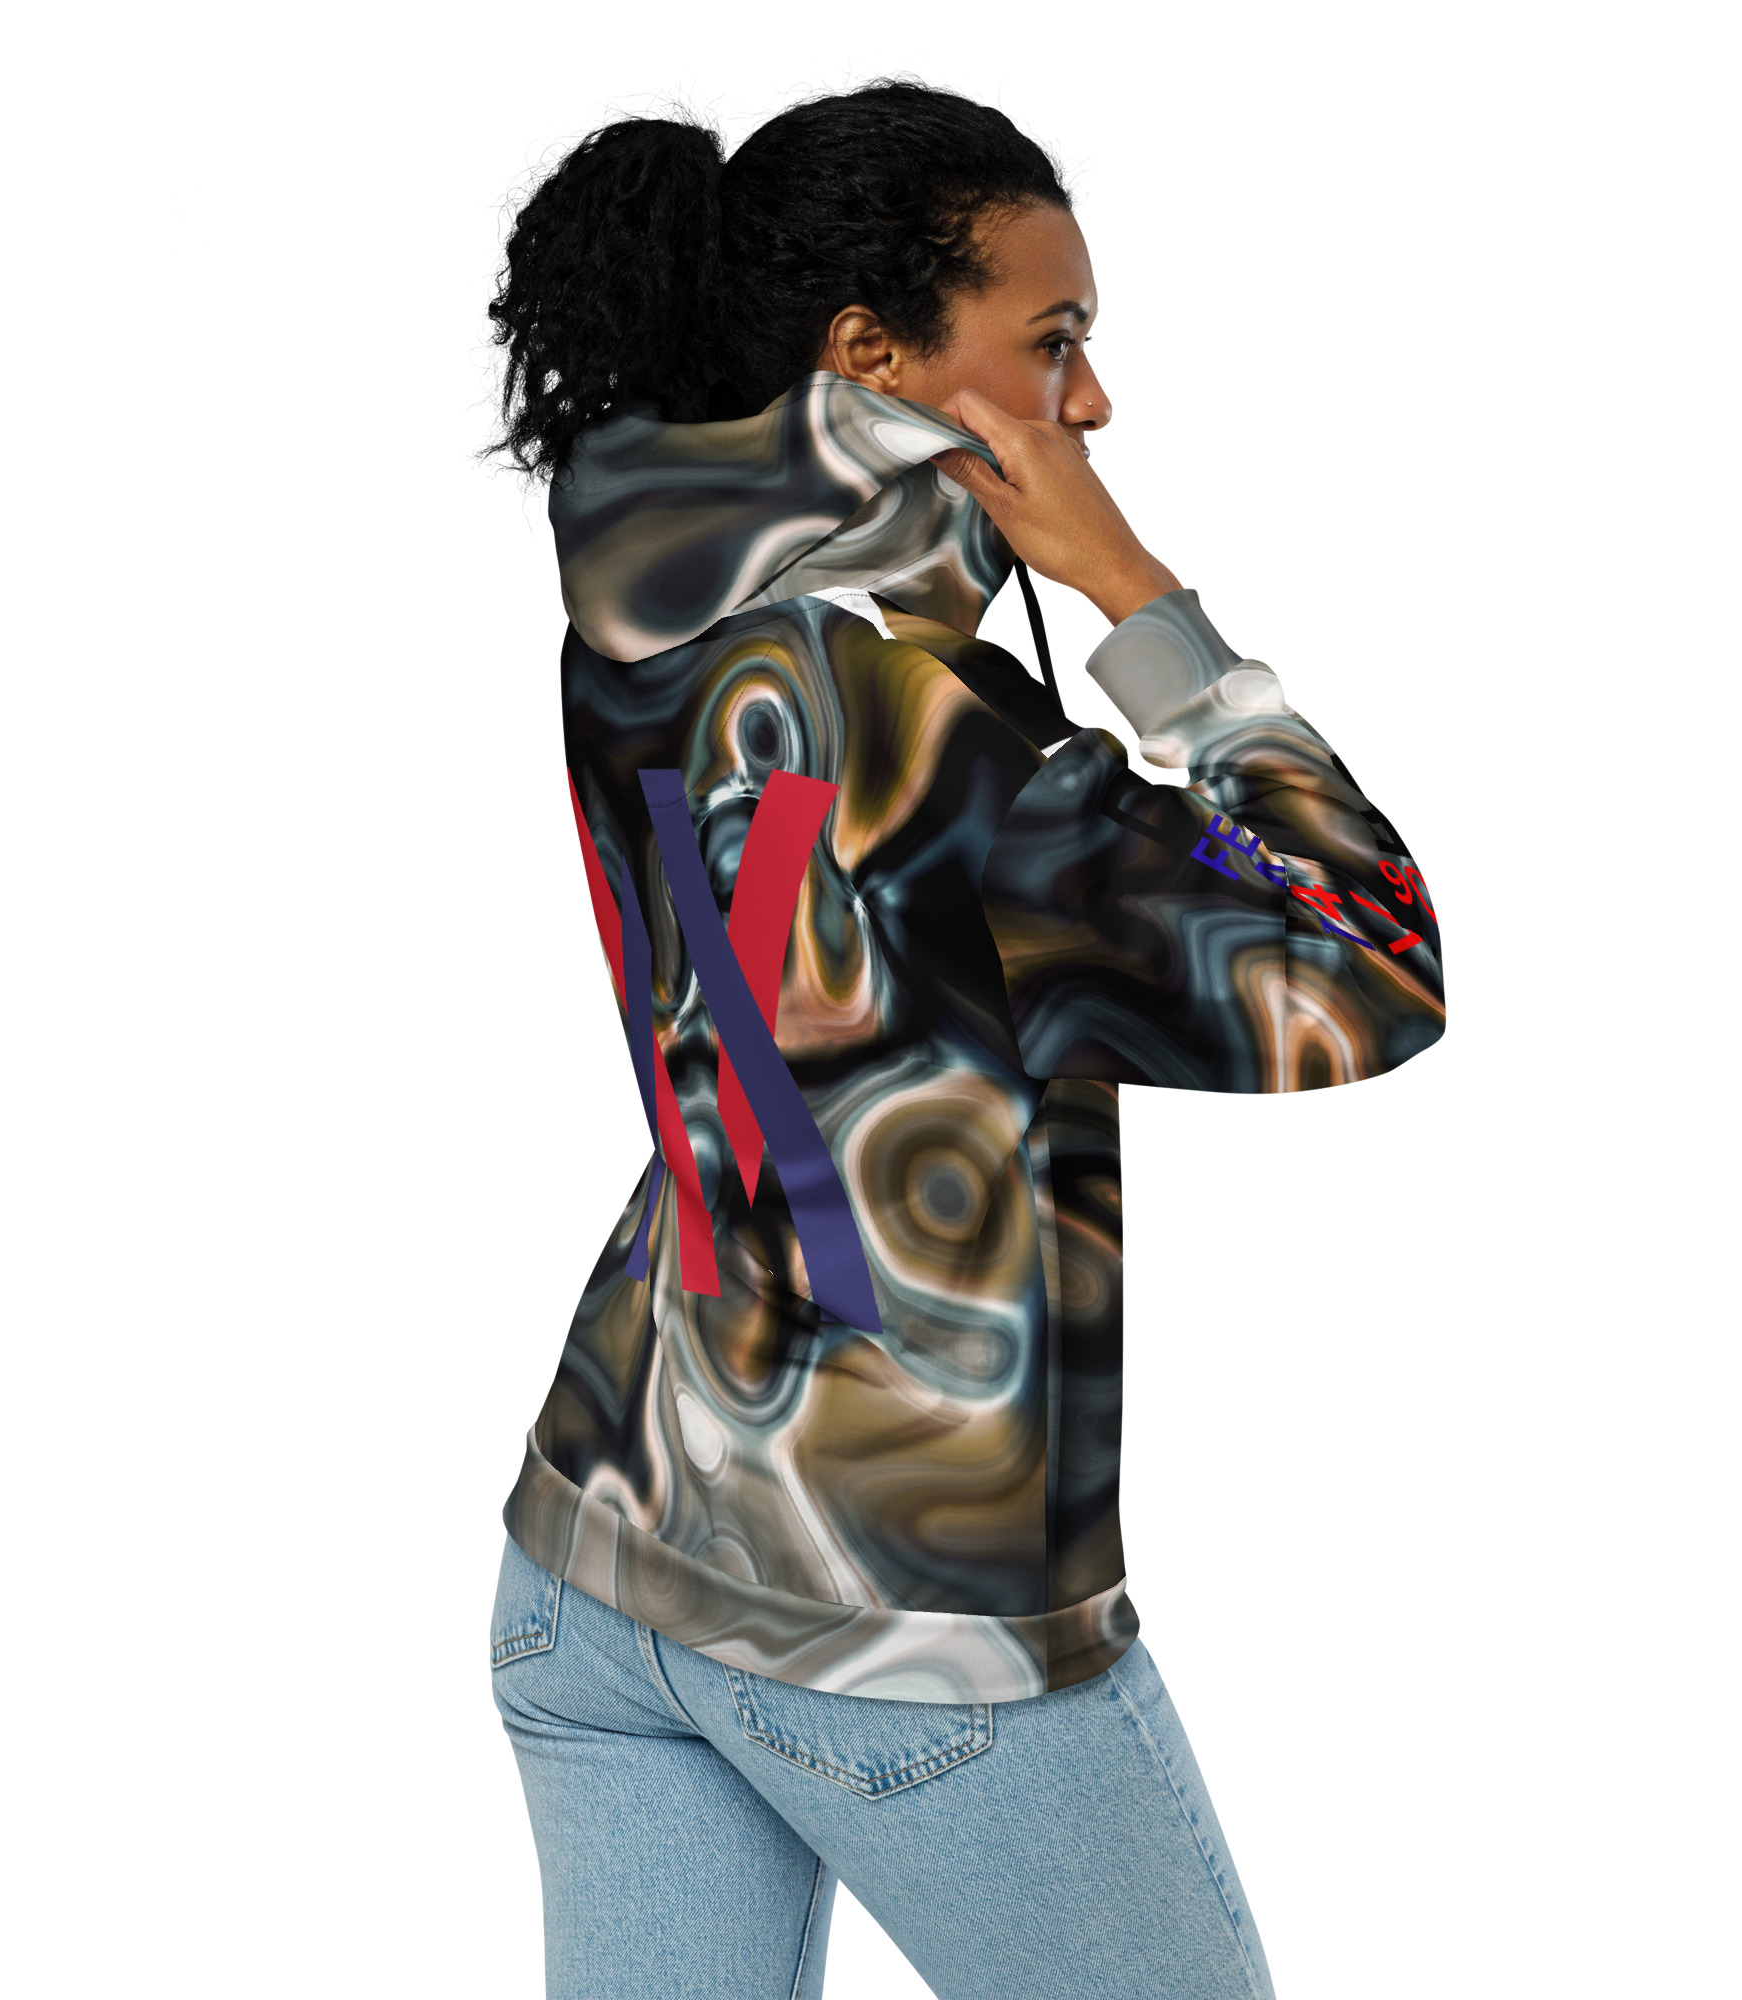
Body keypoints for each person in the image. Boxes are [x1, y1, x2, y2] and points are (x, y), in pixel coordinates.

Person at [483, 80, 1444, 2000]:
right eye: (1054, 342)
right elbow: (1366, 971)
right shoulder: (941, 731)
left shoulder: (640, 608)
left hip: (600, 1538)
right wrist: (1142, 603)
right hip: (896, 1621)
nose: (1094, 403)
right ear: (874, 357)